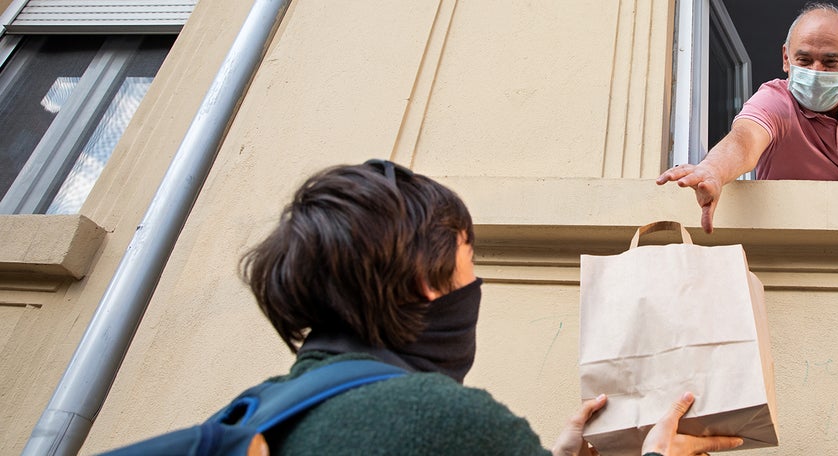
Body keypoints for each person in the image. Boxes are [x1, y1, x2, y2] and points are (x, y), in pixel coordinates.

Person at [242, 160, 743, 455]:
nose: (475, 281)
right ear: (425, 279)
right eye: (468, 259)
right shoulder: (443, 420)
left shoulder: (257, 412)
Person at [657, 2, 838, 233]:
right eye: (804, 60)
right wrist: (712, 170)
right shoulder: (774, 99)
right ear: (786, 58)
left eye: (830, 62)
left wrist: (822, 196)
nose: (816, 71)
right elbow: (744, 140)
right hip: (790, 243)